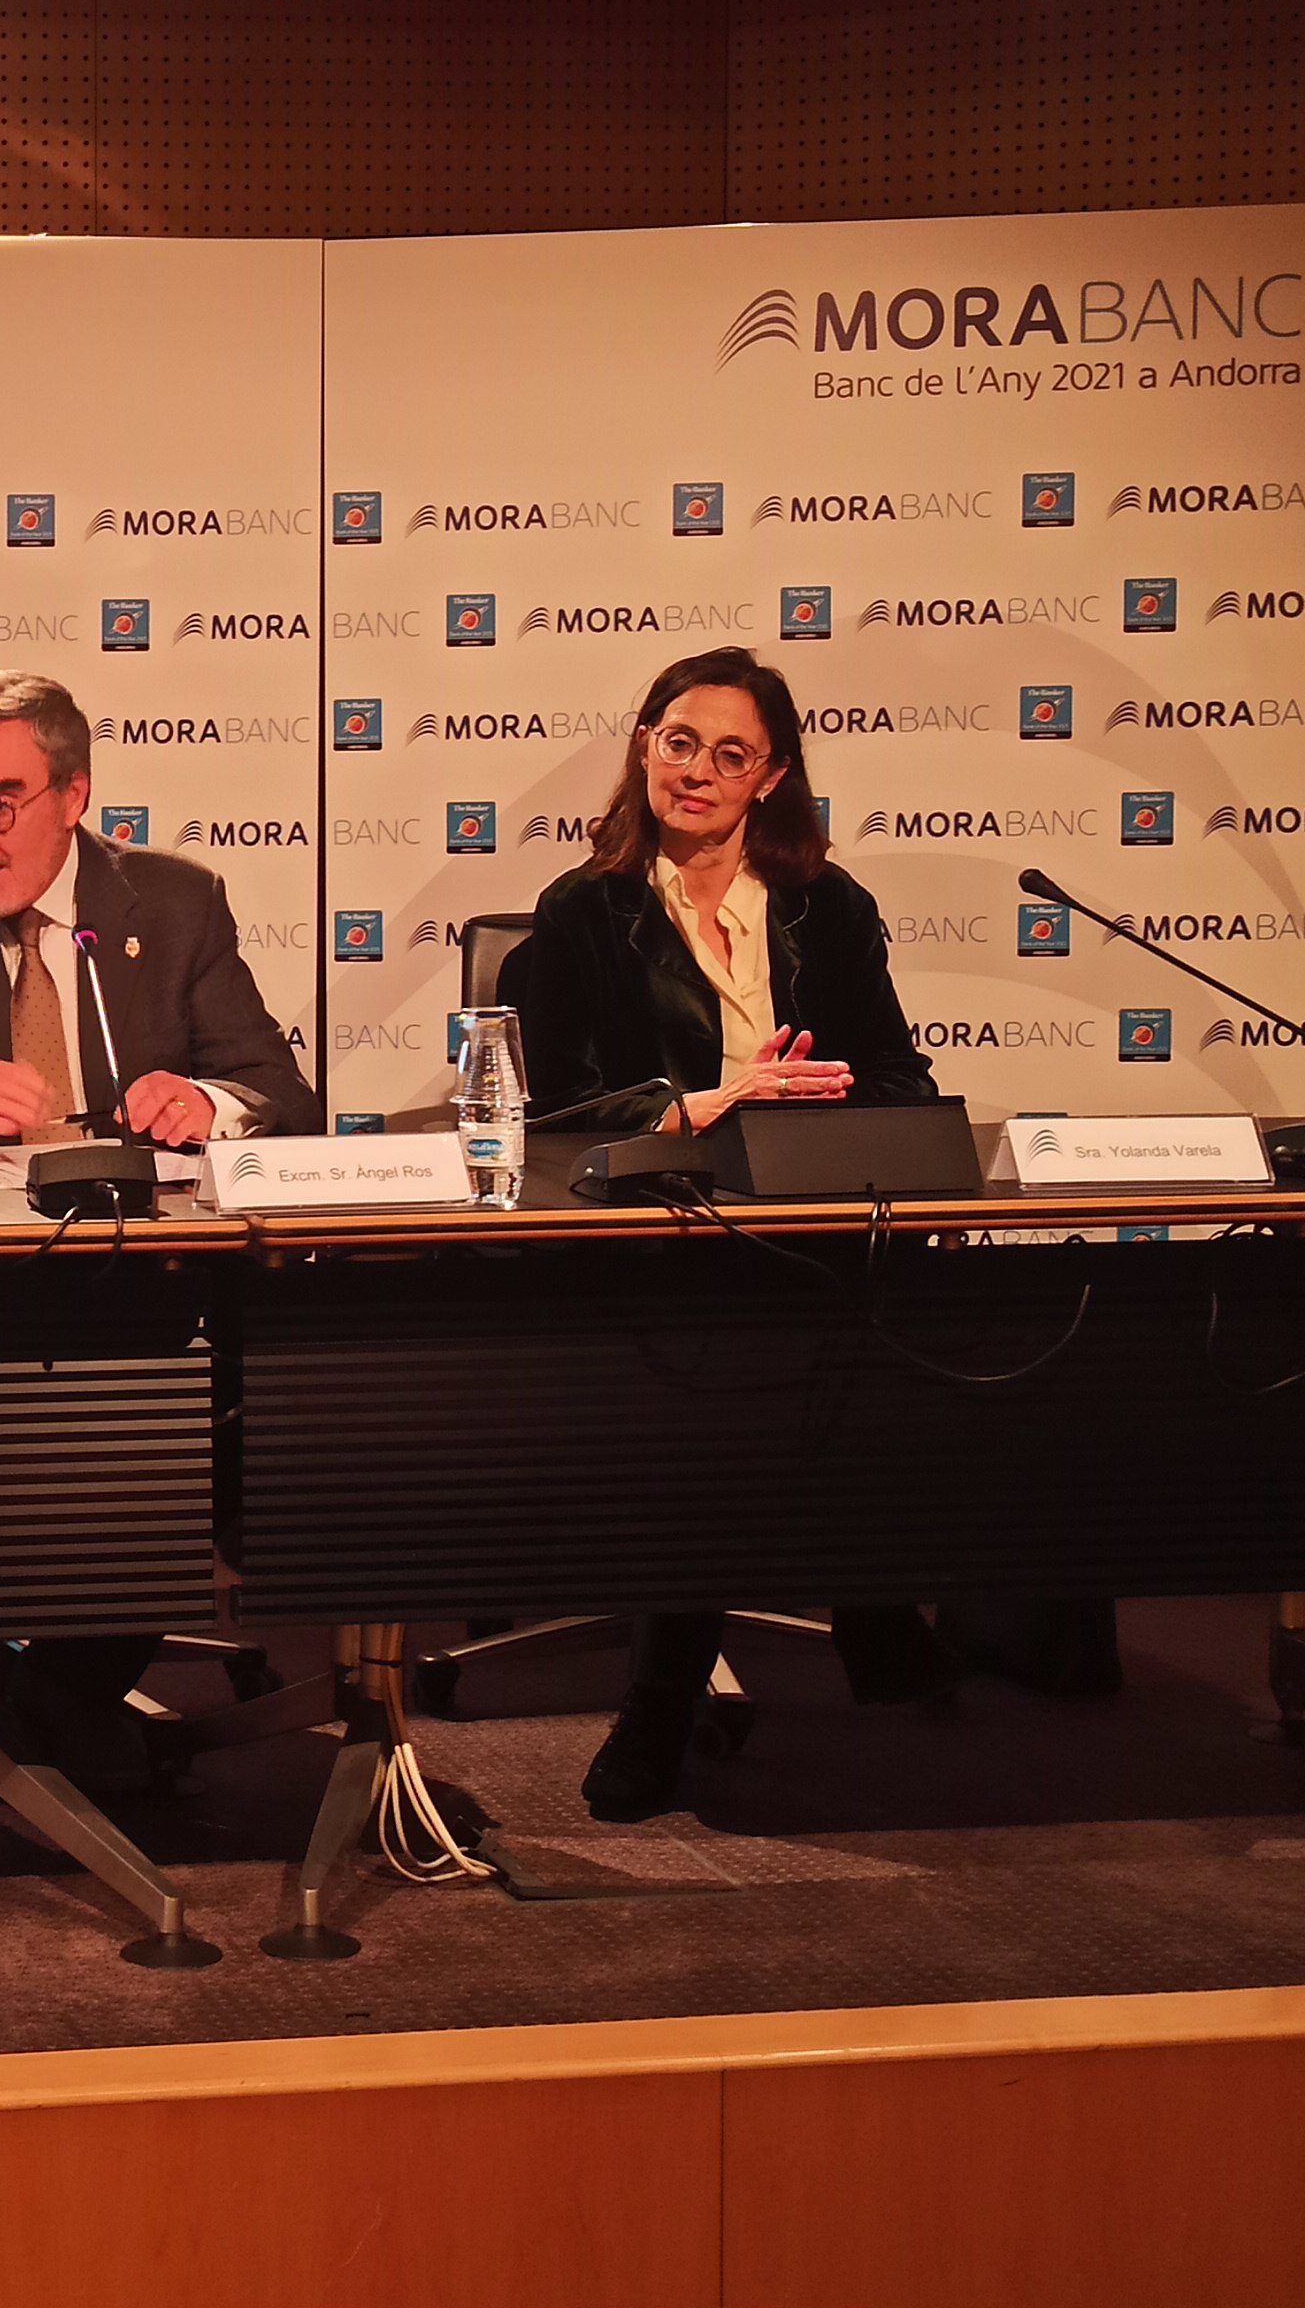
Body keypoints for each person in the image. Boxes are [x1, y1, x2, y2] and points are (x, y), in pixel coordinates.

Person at [0, 668, 319, 1805]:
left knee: (216, 1394)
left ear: (73, 795)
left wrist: (206, 1100)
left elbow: (278, 1089)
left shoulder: (173, 902)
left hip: (139, 1278)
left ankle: (52, 1690)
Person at [512, 645, 976, 1824]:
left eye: (730, 754)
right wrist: (703, 1104)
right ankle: (668, 1694)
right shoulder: (582, 912)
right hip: (661, 1230)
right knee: (723, 1380)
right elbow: (549, 1110)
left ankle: (874, 1595)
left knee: (927, 1323)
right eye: (679, 743)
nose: (698, 771)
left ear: (770, 778)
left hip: (810, 1217)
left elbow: (898, 1074)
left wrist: (823, 1095)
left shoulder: (828, 905)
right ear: (643, 748)